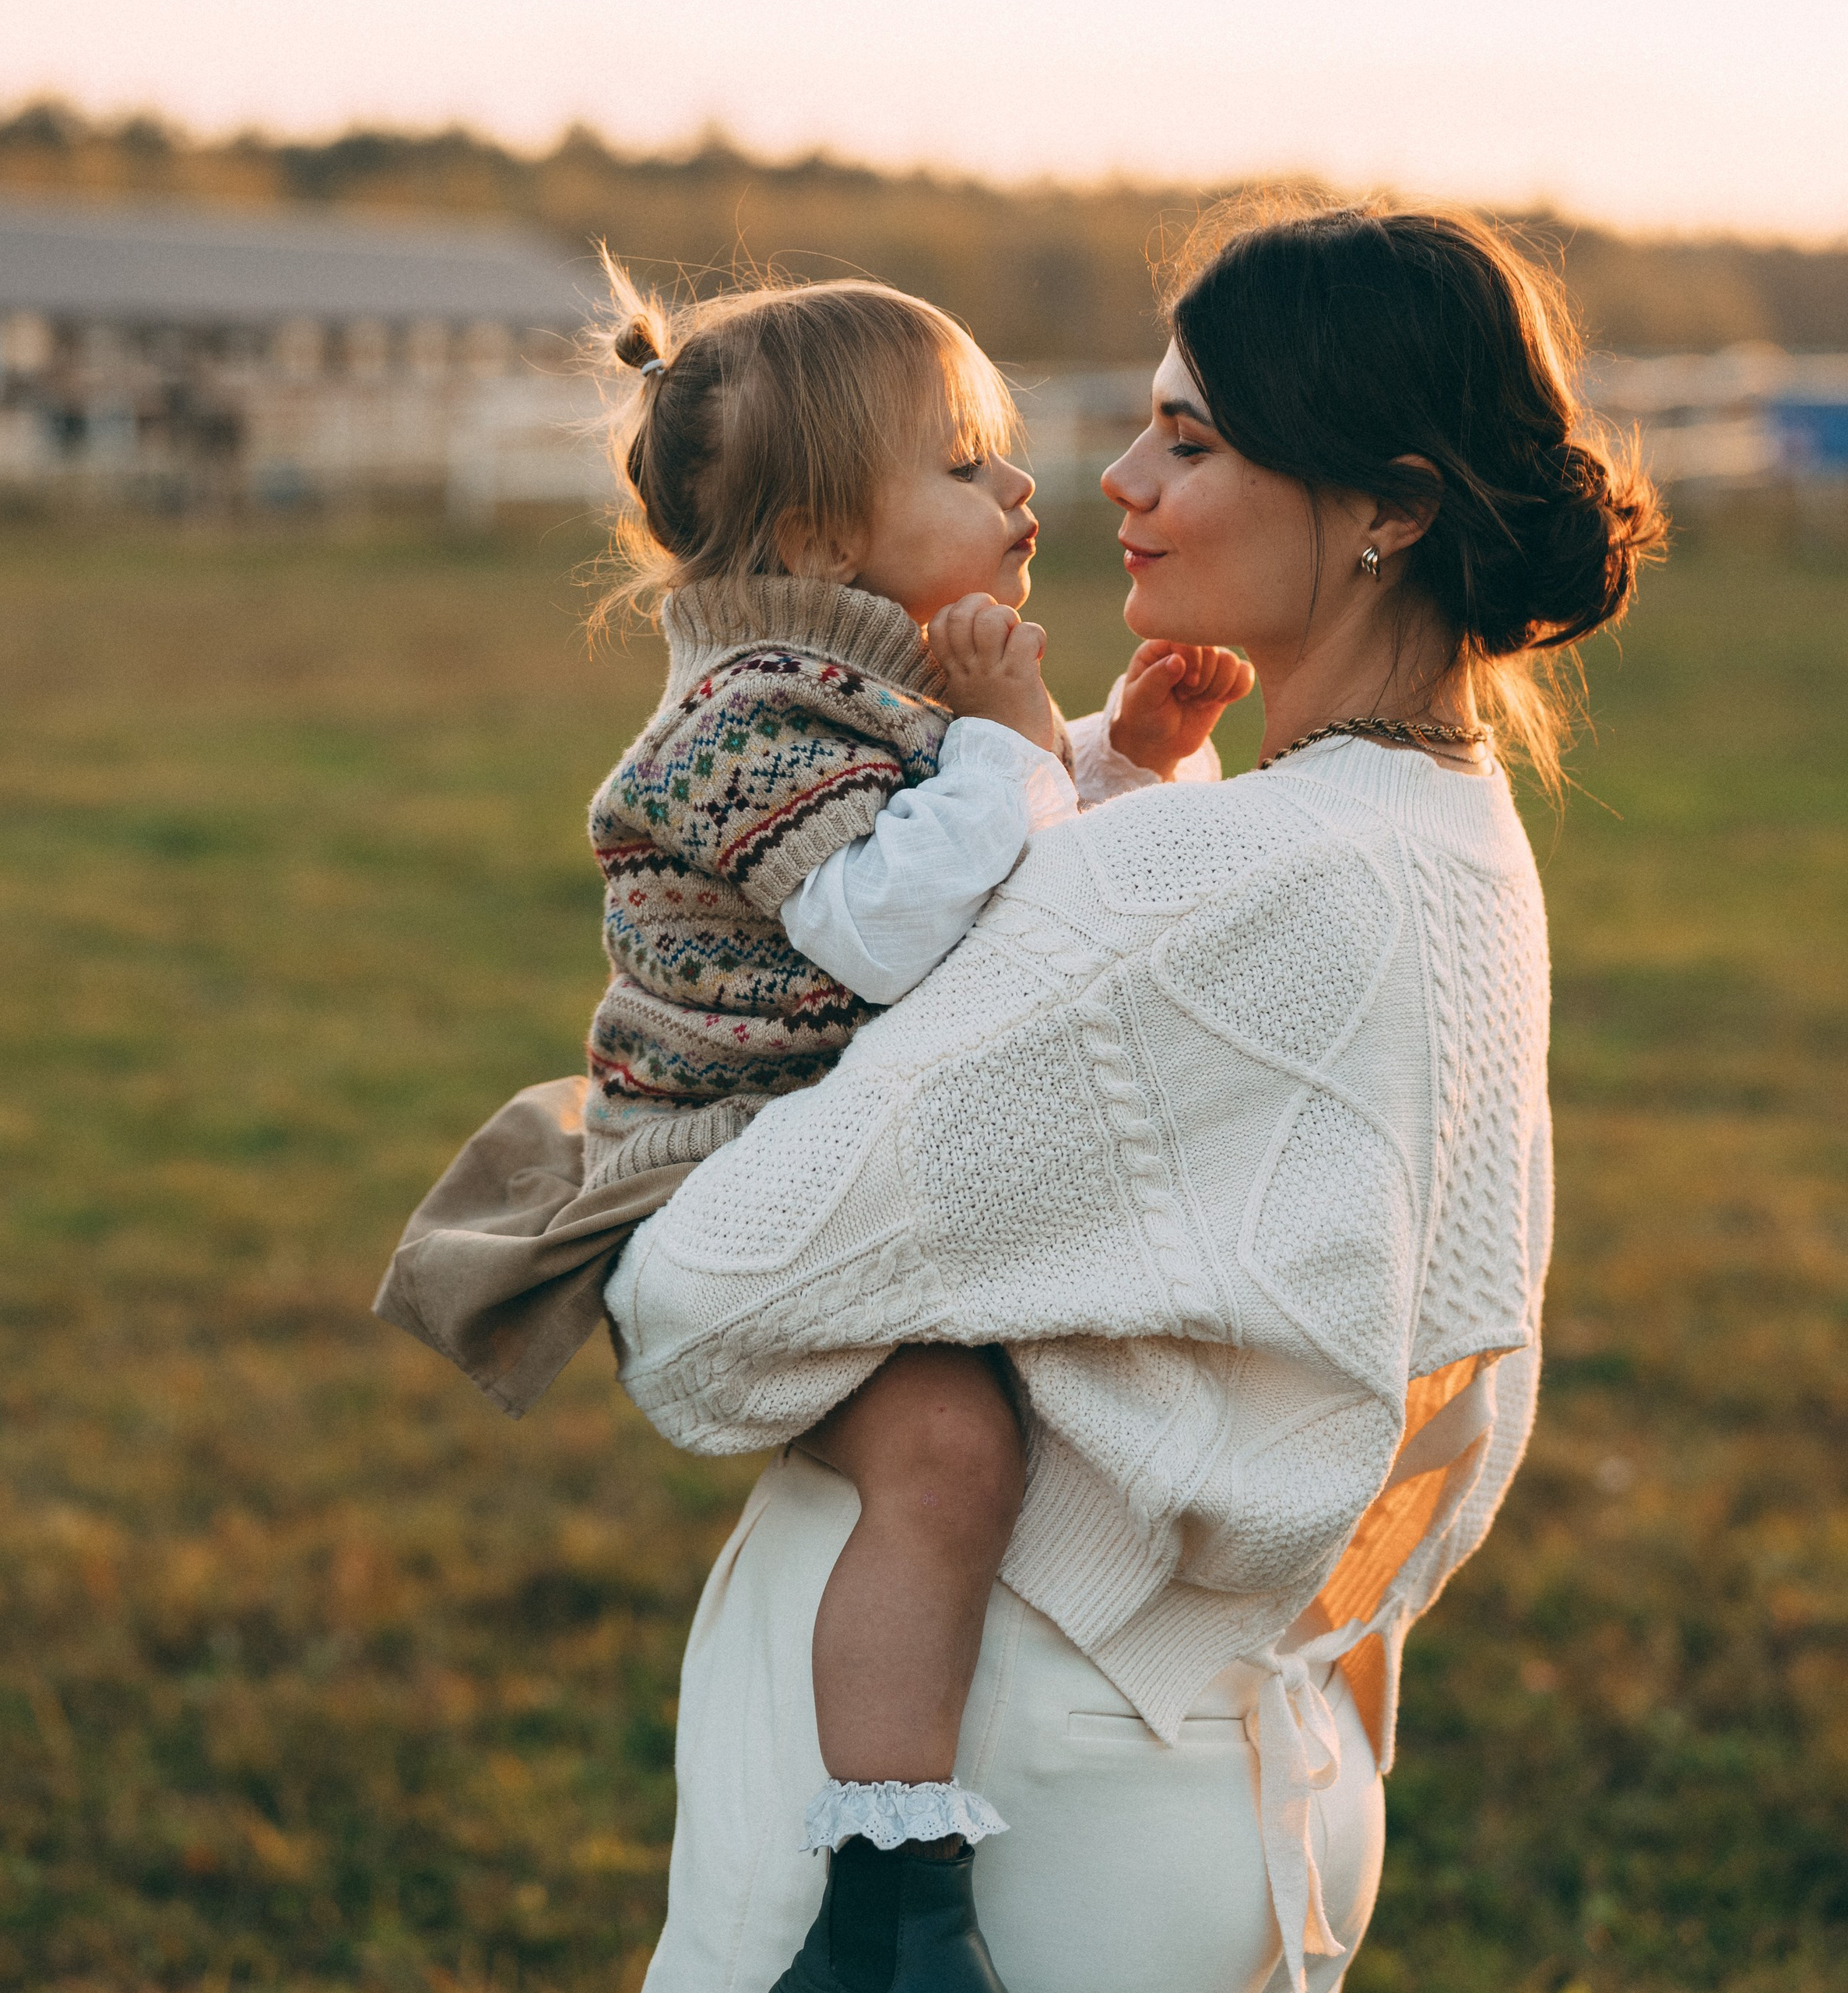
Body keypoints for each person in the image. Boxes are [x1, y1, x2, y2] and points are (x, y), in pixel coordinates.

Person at [602, 202, 1664, 1993]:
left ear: (1386, 505)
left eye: (1190, 437)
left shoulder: (1180, 884)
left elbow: (699, 1310)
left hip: (1015, 1786)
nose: (1110, 477)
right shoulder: (1459, 842)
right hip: (1262, 1738)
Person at [377, 257, 1250, 1987]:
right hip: (711, 1169)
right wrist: (1017, 736)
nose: (1019, 491)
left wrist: (1121, 763)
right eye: (960, 461)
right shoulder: (739, 718)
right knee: (948, 1453)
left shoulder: (882, 688)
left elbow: (997, 874)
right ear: (826, 538)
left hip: (834, 1136)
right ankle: (890, 1901)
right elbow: (884, 920)